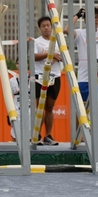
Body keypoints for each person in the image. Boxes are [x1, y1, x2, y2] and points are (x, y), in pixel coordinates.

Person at [64, 4, 98, 141]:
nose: (95, 20)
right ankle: (79, 137)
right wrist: (77, 15)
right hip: (84, 76)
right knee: (81, 108)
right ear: (85, 19)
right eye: (91, 17)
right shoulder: (80, 33)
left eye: (97, 17)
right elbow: (67, 30)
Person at [33, 16, 63, 145]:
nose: (46, 28)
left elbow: (62, 56)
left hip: (54, 76)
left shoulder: (58, 41)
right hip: (40, 76)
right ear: (40, 28)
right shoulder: (36, 42)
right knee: (40, 106)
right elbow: (34, 57)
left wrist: (54, 57)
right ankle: (37, 135)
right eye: (43, 26)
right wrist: (49, 54)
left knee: (50, 107)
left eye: (48, 25)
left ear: (51, 27)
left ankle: (48, 135)